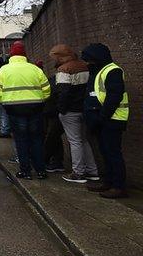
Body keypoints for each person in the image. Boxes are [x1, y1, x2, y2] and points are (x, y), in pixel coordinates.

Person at [0, 41, 51, 180]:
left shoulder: (4, 70)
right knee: (36, 140)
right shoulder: (35, 69)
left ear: (11, 54)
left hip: (14, 109)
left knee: (21, 140)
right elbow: (47, 89)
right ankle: (41, 171)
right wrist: (40, 100)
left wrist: (5, 102)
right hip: (35, 109)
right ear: (25, 54)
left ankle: (25, 171)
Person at [81, 44, 130, 199]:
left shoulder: (113, 70)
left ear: (96, 57)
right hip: (102, 119)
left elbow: (113, 97)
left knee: (113, 153)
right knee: (105, 153)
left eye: (89, 59)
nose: (87, 63)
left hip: (112, 119)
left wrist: (102, 117)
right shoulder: (99, 70)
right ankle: (108, 181)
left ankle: (118, 186)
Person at [50, 44, 99, 184]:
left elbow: (63, 92)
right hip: (85, 108)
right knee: (84, 140)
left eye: (55, 57)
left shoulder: (64, 70)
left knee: (75, 141)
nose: (54, 60)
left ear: (60, 57)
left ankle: (78, 173)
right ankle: (92, 171)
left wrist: (61, 109)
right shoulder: (84, 66)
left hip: (70, 111)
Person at [39, 61, 65, 173]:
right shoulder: (51, 79)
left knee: (51, 136)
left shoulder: (55, 79)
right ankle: (56, 161)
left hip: (53, 112)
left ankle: (49, 160)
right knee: (54, 137)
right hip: (51, 111)